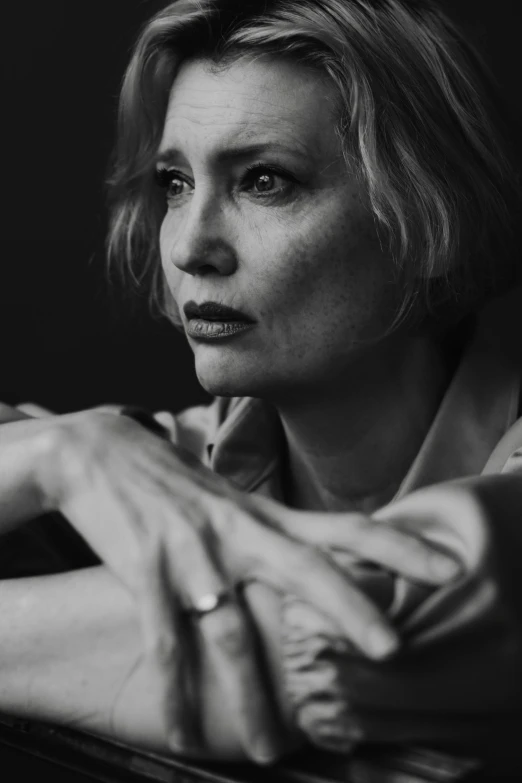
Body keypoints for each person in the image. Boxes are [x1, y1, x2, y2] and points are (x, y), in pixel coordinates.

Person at [0, 0, 521, 774]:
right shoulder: (168, 469)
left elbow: (340, 645)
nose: (188, 245)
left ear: (430, 208)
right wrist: (57, 456)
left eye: (265, 180)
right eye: (175, 182)